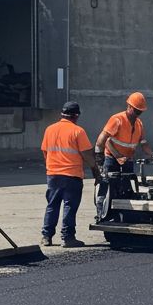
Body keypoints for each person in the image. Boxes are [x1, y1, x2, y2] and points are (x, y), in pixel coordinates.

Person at [41, 101, 101, 248]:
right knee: (70, 206)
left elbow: (45, 151)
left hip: (53, 175)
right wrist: (96, 174)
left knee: (52, 205)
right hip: (71, 175)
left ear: (62, 114)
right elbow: (88, 156)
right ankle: (68, 238)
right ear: (76, 116)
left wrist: (51, 166)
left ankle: (46, 237)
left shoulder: (49, 129)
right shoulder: (78, 131)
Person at [94, 92, 153, 208]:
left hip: (127, 159)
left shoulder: (139, 124)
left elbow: (143, 142)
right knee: (106, 184)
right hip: (112, 158)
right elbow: (104, 140)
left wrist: (152, 155)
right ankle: (101, 210)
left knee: (126, 186)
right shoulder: (117, 119)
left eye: (140, 111)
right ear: (129, 106)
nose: (138, 114)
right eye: (136, 110)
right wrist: (114, 156)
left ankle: (122, 209)